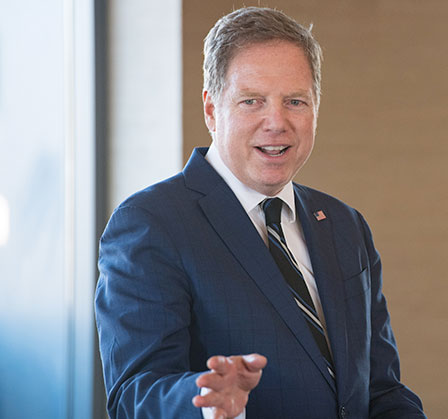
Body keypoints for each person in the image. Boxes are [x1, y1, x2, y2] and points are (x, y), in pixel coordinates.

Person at [95, 7, 425, 419]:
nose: (277, 122)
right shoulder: (150, 224)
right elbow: (135, 396)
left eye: (295, 101)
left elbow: (380, 389)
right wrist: (205, 400)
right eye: (252, 101)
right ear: (212, 110)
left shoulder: (344, 224)